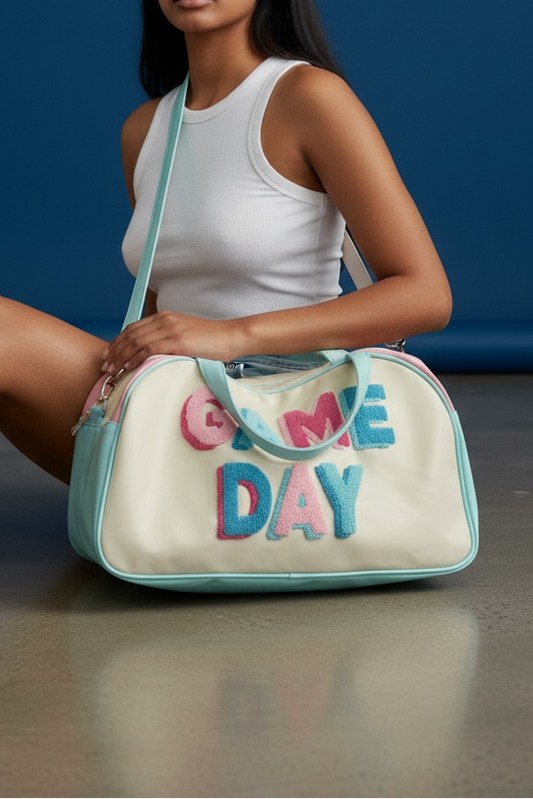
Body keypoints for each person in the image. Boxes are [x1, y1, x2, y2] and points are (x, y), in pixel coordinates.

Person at [0, 0, 451, 485]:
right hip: (180, 401)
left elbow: (426, 296)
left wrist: (229, 335)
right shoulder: (146, 129)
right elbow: (161, 309)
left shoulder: (309, 96)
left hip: (284, 409)